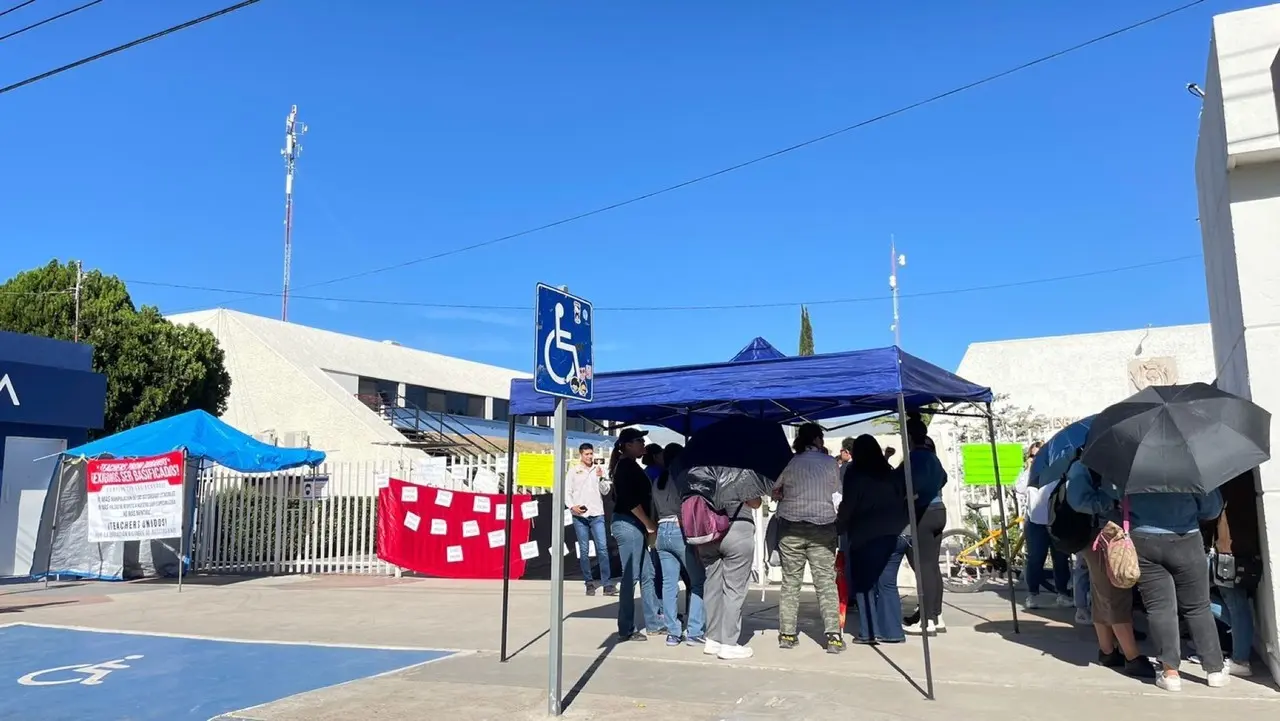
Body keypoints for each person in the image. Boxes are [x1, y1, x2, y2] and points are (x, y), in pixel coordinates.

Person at [1063, 460, 1159, 681]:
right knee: (1116, 593)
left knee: (1102, 594)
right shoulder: (1083, 467)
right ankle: (1132, 656)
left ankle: (1107, 651)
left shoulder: (1099, 466)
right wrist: (1111, 499)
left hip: (1104, 535)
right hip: (1101, 536)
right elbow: (1079, 501)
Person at [773, 423, 844, 653]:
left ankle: (787, 634)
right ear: (816, 439)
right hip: (822, 528)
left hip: (791, 528)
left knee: (790, 583)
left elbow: (775, 491)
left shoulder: (791, 463)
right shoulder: (830, 463)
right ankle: (833, 636)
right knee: (825, 582)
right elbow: (837, 494)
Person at [837, 434, 909, 644]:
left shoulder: (854, 473)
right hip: (895, 534)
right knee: (887, 584)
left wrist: (839, 526)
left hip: (866, 535)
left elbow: (849, 504)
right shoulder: (889, 472)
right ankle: (893, 632)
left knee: (864, 584)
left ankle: (869, 632)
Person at [650, 443, 707, 647]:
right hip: (679, 529)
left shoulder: (658, 480)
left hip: (661, 531)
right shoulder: (683, 478)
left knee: (668, 583)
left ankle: (673, 632)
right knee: (698, 580)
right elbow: (687, 509)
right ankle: (694, 631)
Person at [1204, 471, 1259, 677]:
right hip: (1241, 549)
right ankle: (1241, 641)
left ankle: (1240, 658)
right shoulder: (1246, 478)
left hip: (1227, 551)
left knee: (1231, 606)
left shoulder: (1223, 479)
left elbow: (1209, 513)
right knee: (1237, 606)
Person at [608, 428, 660, 642]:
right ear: (628, 444)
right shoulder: (625, 467)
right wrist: (648, 523)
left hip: (635, 525)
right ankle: (626, 628)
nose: (643, 444)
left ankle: (654, 622)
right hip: (629, 524)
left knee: (648, 574)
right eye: (639, 440)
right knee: (631, 577)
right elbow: (629, 501)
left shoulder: (630, 466)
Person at [698, 494, 763, 660]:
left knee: (712, 587)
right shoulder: (741, 473)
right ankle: (729, 643)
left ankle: (713, 639)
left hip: (708, 531)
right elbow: (755, 503)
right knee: (734, 589)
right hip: (737, 529)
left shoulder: (703, 472)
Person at [901, 416, 948, 635]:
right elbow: (944, 478)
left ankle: (926, 620)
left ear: (909, 436)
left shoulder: (914, 458)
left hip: (924, 512)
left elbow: (906, 484)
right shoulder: (932, 457)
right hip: (939, 510)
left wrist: (913, 496)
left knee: (924, 567)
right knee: (932, 566)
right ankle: (937, 616)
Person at [1015, 441, 1073, 610]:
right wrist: (1028, 469)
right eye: (1033, 455)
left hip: (1055, 520)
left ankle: (1062, 593)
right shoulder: (1027, 475)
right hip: (1035, 522)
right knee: (1035, 558)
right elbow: (1018, 489)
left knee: (1061, 558)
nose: (1036, 459)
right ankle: (1032, 594)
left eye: (1039, 455)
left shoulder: (1056, 470)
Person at [566, 443, 616, 596]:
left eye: (591, 454)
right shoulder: (574, 471)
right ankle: (589, 582)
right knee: (584, 549)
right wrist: (571, 506)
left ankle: (607, 583)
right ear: (581, 454)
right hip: (580, 515)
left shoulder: (598, 470)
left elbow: (606, 490)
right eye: (586, 454)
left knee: (602, 548)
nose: (589, 457)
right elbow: (567, 490)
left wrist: (601, 478)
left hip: (597, 513)